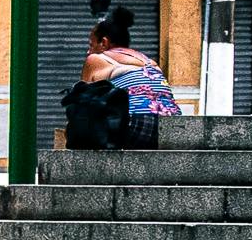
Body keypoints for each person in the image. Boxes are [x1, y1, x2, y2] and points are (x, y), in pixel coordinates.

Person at [64, 12, 179, 151]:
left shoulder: (97, 59)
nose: (89, 51)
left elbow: (82, 106)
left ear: (104, 42)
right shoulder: (151, 63)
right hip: (174, 127)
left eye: (91, 45)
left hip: (136, 125)